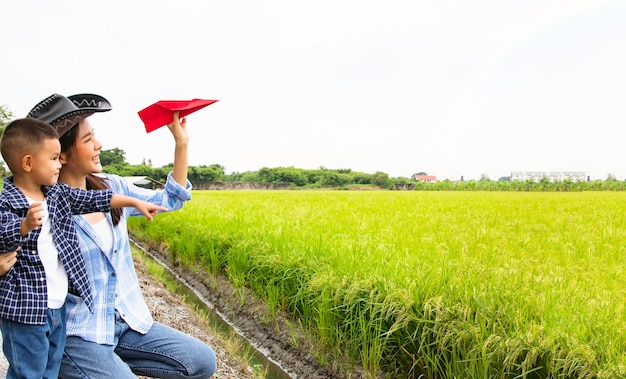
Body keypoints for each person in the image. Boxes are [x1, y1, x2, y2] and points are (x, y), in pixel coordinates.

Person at [26, 93, 217, 379]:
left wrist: (181, 143)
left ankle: (107, 366)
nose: (99, 144)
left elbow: (170, 200)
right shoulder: (40, 210)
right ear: (60, 155)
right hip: (79, 333)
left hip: (127, 321)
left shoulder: (112, 187)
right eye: (88, 139)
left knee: (202, 361)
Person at [0, 117, 168, 378]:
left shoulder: (56, 195)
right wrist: (23, 226)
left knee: (49, 371)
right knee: (27, 371)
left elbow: (95, 198)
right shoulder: (7, 203)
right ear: (28, 163)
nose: (59, 164)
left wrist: (134, 202)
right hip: (25, 309)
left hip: (56, 308)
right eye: (54, 158)